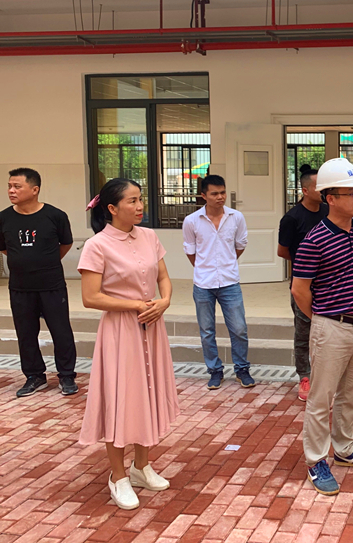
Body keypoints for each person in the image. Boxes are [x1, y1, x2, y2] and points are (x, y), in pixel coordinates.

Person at [78, 178, 179, 510]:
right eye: (132, 201)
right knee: (120, 400)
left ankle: (141, 466)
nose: (140, 206)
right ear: (112, 208)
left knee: (147, 395)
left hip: (151, 326)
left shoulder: (149, 236)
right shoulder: (97, 245)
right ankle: (118, 476)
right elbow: (91, 297)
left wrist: (164, 301)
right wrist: (135, 305)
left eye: (140, 199)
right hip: (120, 332)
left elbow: (163, 276)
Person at [292, 157, 353, 496]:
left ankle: (345, 447)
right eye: (350, 193)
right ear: (330, 198)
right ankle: (316, 459)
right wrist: (323, 317)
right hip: (331, 327)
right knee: (321, 398)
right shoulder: (315, 239)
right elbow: (299, 289)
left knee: (352, 393)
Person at [0, 168, 77, 398]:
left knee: (61, 332)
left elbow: (65, 244)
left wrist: (45, 262)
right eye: (9, 186)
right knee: (25, 334)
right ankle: (34, 376)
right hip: (20, 287)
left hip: (51, 285)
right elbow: (4, 248)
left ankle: (66, 376)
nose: (11, 191)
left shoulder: (55, 216)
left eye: (17, 186)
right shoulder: (3, 218)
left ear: (35, 190)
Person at [182, 175, 254, 390]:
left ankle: (242, 369)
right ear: (203, 196)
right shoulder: (192, 221)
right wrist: (205, 267)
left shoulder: (236, 217)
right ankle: (215, 371)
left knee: (239, 329)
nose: (220, 197)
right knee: (207, 331)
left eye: (222, 192)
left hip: (229, 281)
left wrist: (225, 263)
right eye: (214, 193)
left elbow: (240, 244)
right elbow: (191, 251)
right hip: (203, 284)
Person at [278, 168, 327, 401]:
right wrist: (306, 265)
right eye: (318, 186)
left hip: (328, 283)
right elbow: (282, 251)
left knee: (327, 330)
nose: (323, 190)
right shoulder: (292, 218)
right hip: (303, 284)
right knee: (304, 331)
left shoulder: (328, 211)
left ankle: (325, 375)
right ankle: (304, 376)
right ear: (305, 190)